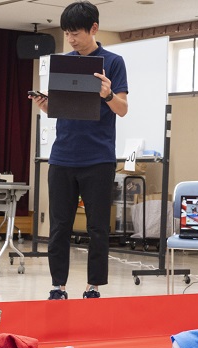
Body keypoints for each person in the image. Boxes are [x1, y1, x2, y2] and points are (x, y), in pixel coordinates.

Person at [30, 1, 128, 300]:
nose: (71, 39)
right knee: (59, 226)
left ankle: (93, 286)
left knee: (98, 227)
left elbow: (122, 109)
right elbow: (63, 109)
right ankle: (57, 285)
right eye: (67, 34)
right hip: (62, 157)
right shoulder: (64, 62)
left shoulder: (113, 62)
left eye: (75, 33)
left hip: (98, 158)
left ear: (93, 29)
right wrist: (48, 106)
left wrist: (108, 93)